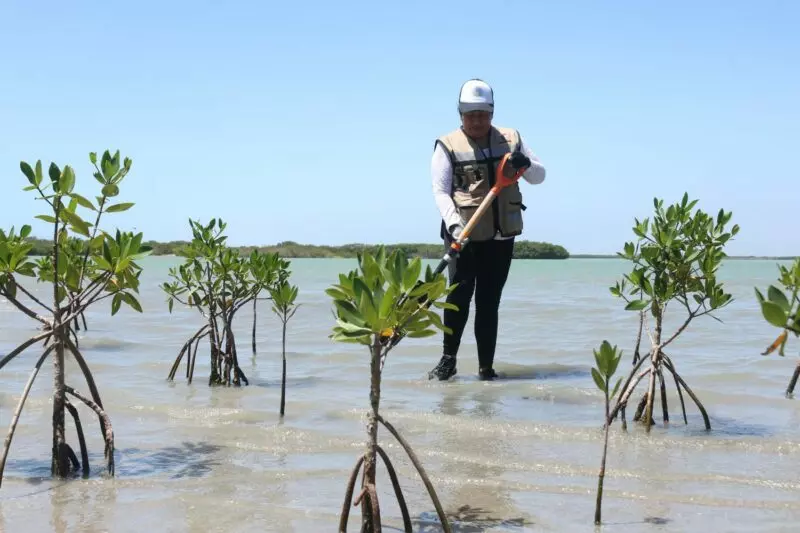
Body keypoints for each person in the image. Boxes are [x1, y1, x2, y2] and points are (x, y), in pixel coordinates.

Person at [428, 78, 546, 381]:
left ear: (492, 113)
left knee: (489, 302)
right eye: (470, 115)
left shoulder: (511, 138)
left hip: (500, 237)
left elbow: (539, 176)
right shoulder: (447, 145)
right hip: (463, 235)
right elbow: (440, 192)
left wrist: (524, 164)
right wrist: (456, 225)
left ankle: (485, 369)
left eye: (482, 114)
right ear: (460, 114)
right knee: (458, 299)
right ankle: (448, 360)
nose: (477, 121)